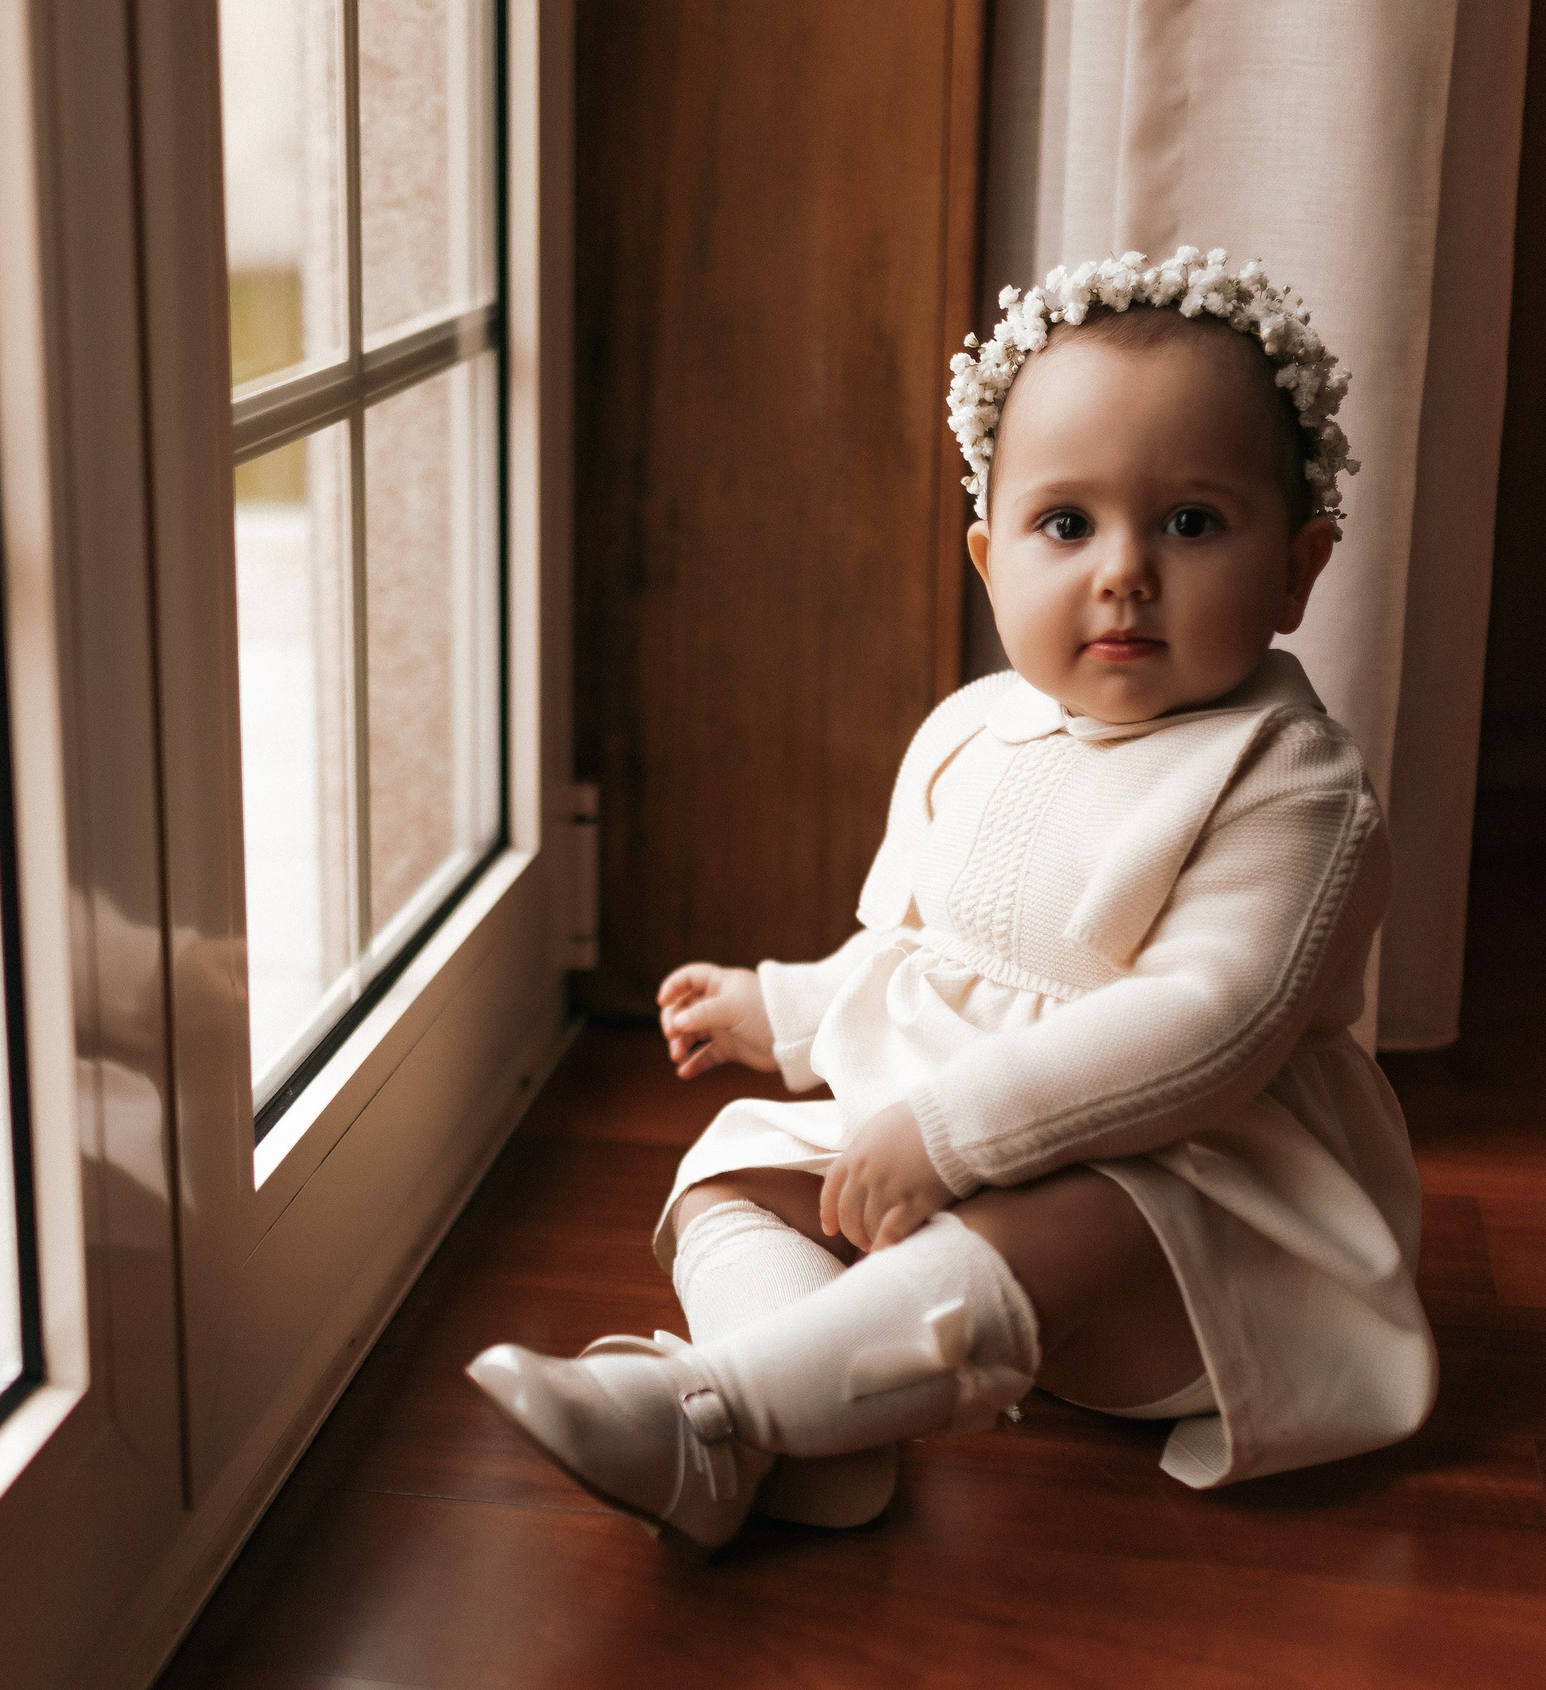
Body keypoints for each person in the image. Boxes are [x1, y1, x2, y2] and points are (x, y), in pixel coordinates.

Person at [468, 248, 1438, 1555]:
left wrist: (950, 1132)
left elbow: (1208, 1025)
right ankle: (821, 1435)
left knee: (1094, 1208)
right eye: (1067, 523)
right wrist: (790, 1010)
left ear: (1300, 567)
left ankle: (716, 1411)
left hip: (1183, 1224)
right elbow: (917, 947)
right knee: (728, 1173)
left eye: (1192, 523)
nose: (1124, 571)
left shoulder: (1287, 780)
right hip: (946, 1173)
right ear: (990, 556)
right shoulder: (971, 732)